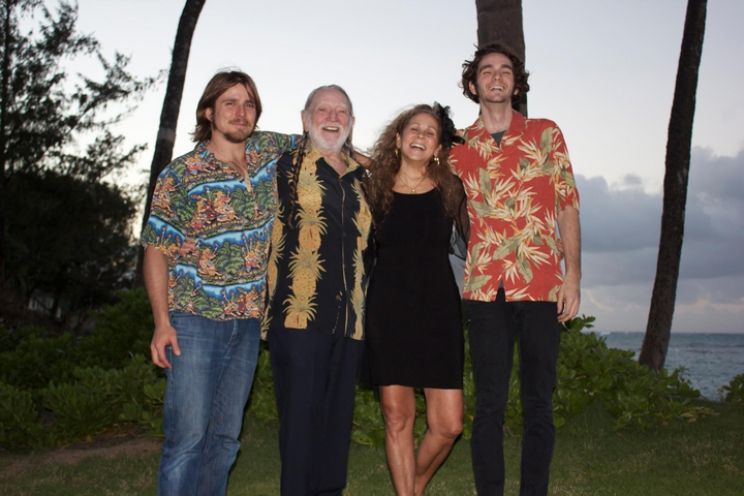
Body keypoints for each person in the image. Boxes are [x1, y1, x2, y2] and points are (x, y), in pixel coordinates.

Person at [141, 70, 297, 496]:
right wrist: (162, 323)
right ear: (208, 112)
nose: (241, 112)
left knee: (225, 441)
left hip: (247, 324)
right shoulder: (182, 174)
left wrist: (385, 164)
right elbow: (156, 250)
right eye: (230, 103)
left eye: (249, 104)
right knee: (187, 441)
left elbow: (323, 137)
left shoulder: (267, 151)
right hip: (194, 321)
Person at [451, 42, 582, 496]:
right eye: (486, 70)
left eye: (505, 70)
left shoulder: (546, 133)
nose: (496, 76)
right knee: (489, 404)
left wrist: (573, 275)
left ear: (516, 83)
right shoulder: (457, 147)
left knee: (538, 403)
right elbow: (408, 169)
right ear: (473, 85)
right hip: (485, 287)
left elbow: (567, 204)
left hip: (542, 282)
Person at [264, 84, 372, 496]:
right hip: (298, 315)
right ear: (305, 119)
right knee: (300, 430)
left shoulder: (363, 179)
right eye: (323, 109)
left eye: (341, 111)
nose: (332, 117)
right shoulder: (283, 168)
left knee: (335, 429)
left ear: (352, 122)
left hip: (350, 321)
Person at [364, 103, 468, 496]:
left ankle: (415, 483)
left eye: (430, 131)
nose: (421, 135)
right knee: (397, 417)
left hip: (438, 311)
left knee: (449, 425)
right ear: (398, 138)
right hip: (388, 309)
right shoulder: (372, 189)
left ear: (439, 146)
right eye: (414, 128)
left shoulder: (451, 190)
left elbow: (475, 241)